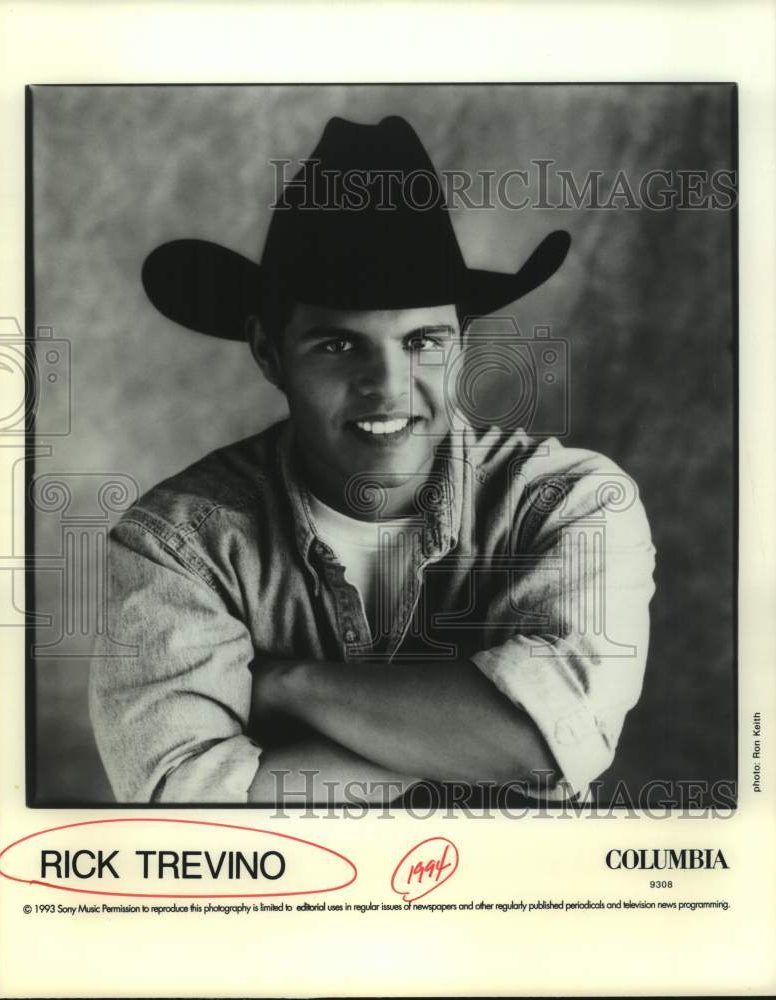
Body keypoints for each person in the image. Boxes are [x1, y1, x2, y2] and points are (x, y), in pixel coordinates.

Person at [89, 115, 656, 806]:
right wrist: (473, 740)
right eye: (337, 345)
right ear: (269, 352)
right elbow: (188, 806)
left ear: (462, 344)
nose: (387, 387)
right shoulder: (177, 543)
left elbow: (544, 744)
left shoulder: (568, 502)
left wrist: (285, 685)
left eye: (423, 341)